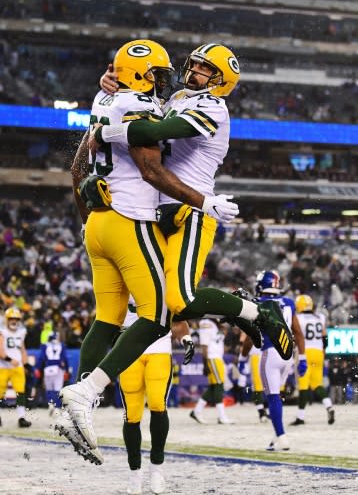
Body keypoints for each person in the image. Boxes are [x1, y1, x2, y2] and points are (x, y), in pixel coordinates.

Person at [60, 40, 292, 456]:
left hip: (189, 208)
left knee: (176, 302)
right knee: (157, 309)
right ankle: (83, 399)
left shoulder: (213, 109)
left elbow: (154, 132)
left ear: (222, 81)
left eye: (204, 69)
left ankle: (256, 311)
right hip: (154, 214)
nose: (192, 72)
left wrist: (108, 124)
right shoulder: (178, 96)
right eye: (195, 65)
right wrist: (114, 94)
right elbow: (144, 105)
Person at [119, 299, 194, 495]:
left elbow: (177, 318)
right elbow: (106, 319)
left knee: (157, 405)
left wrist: (186, 339)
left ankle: (157, 468)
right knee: (132, 415)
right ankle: (134, 471)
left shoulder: (163, 276)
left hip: (159, 349)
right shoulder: (119, 276)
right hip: (128, 351)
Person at [239, 271, 306, 451]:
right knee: (277, 396)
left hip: (270, 353)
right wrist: (303, 357)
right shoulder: (289, 303)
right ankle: (277, 435)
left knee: (273, 396)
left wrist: (242, 357)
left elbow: (250, 336)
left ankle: (282, 436)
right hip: (288, 356)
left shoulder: (257, 303)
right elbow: (298, 332)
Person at [290, 294, 335, 426]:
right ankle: (329, 406)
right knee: (317, 384)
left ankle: (300, 417)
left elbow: (296, 336)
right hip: (318, 352)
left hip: (305, 352)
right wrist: (323, 350)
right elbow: (325, 337)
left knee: (303, 385)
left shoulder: (297, 318)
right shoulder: (320, 317)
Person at [190, 317, 233, 425]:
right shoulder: (206, 323)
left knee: (214, 387)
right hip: (212, 358)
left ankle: (197, 411)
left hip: (217, 357)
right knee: (219, 386)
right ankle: (222, 416)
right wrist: (204, 363)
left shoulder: (215, 323)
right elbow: (204, 345)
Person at [0, 307, 32, 428]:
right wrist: (9, 359)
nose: (14, 321)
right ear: (7, 319)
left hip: (17, 367)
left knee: (20, 393)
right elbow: (0, 350)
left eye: (16, 319)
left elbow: (22, 349)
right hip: (2, 366)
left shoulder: (21, 332)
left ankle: (21, 417)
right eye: (11, 318)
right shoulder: (2, 331)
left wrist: (26, 364)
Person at [34, 331, 70, 415]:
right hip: (58, 368)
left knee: (49, 389)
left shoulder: (45, 346)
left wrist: (38, 368)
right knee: (58, 389)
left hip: (48, 368)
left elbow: (41, 358)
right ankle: (56, 407)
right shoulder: (62, 345)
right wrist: (67, 370)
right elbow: (65, 358)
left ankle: (51, 405)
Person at [238, 343, 269, 423]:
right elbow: (244, 343)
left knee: (265, 385)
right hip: (260, 355)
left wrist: (242, 359)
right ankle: (262, 412)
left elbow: (245, 342)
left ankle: (265, 410)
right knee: (259, 385)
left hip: (265, 354)